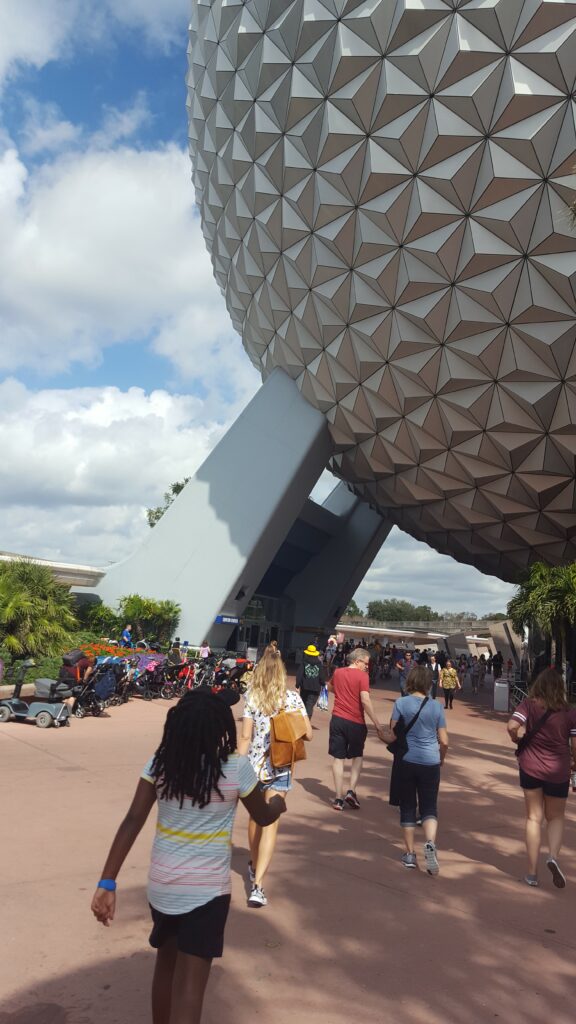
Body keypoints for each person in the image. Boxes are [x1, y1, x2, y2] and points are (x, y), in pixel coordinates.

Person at [91, 689, 285, 1024]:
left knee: (165, 968)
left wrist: (107, 881)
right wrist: (278, 802)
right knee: (191, 988)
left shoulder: (162, 762)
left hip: (163, 886)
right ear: (220, 728)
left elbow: (132, 820)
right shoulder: (236, 768)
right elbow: (264, 817)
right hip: (207, 893)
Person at [239, 648, 312, 908]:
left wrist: (236, 764)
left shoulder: (252, 697)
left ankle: (252, 862)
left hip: (253, 769)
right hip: (281, 768)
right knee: (271, 824)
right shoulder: (293, 698)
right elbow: (308, 735)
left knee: (254, 820)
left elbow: (246, 738)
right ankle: (258, 885)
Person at [507, 668, 576, 889]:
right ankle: (553, 857)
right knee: (555, 817)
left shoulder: (529, 704)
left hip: (530, 767)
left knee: (533, 818)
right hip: (558, 770)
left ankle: (532, 874)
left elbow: (512, 725)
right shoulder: (569, 713)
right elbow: (575, 747)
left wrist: (516, 738)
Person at [390, 666, 449, 874]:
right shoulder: (436, 707)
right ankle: (430, 842)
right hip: (430, 761)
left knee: (407, 806)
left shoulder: (401, 703)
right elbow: (444, 740)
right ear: (429, 683)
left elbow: (393, 730)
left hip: (406, 760)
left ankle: (409, 854)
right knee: (429, 807)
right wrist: (441, 758)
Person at [328, 647, 391, 811]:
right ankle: (351, 790)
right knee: (357, 756)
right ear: (357, 661)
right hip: (356, 722)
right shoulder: (362, 677)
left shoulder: (338, 672)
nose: (366, 667)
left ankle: (338, 798)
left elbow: (329, 687)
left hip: (337, 719)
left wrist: (342, 693)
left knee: (338, 758)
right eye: (365, 663)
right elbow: (365, 700)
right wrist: (377, 723)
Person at [296, 644, 326, 719]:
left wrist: (297, 684)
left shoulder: (304, 662)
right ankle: (307, 719)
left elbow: (300, 674)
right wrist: (323, 684)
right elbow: (321, 675)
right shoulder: (319, 664)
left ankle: (303, 718)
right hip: (316, 688)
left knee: (304, 702)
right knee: (310, 703)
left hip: (305, 686)